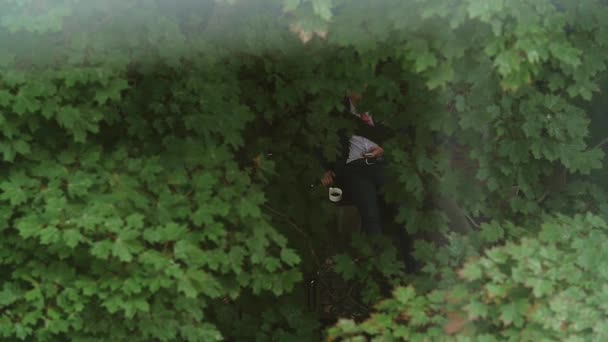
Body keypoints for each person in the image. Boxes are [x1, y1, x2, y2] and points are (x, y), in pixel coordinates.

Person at [318, 92, 391, 235]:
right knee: (370, 215)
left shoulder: (383, 108)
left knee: (397, 205)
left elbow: (399, 138)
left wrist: (384, 150)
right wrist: (323, 169)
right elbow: (319, 142)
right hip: (354, 168)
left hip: (382, 164)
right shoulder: (335, 112)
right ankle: (375, 248)